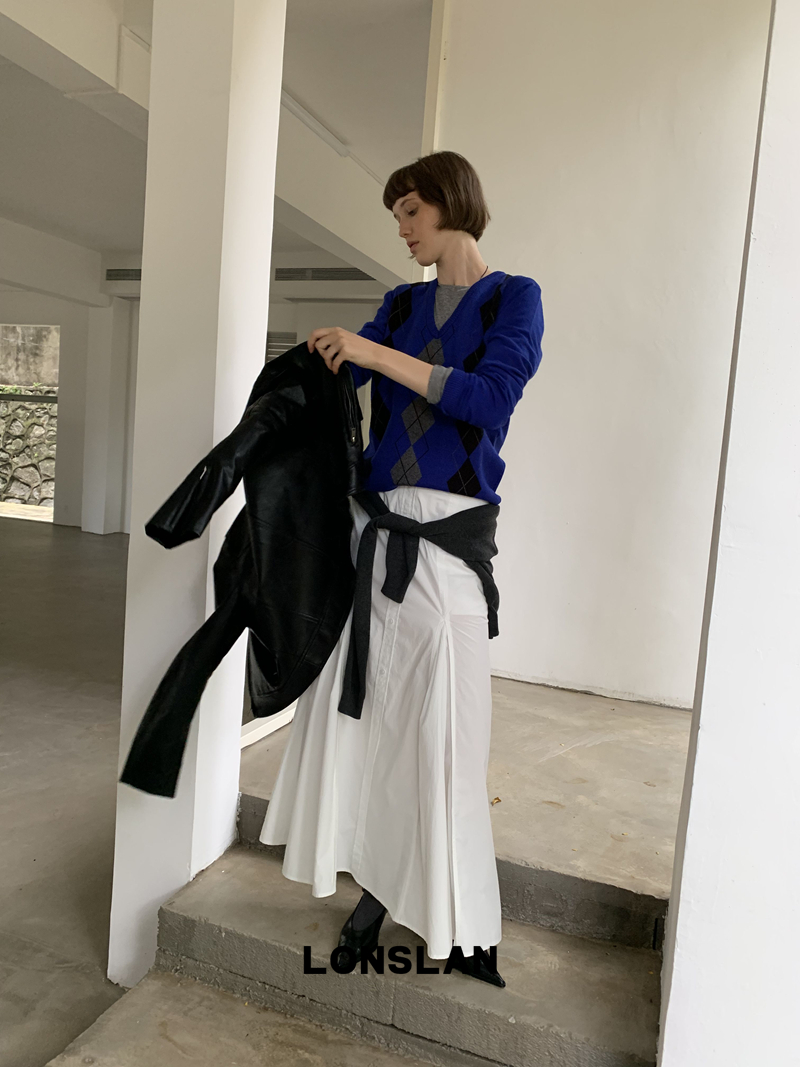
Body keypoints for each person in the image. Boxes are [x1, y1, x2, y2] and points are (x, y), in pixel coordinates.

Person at [258, 150, 543, 987]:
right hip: (375, 537)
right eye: (398, 217)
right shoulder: (402, 303)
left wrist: (373, 356)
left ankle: (455, 913)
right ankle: (375, 891)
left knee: (444, 735)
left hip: (448, 545)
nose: (403, 230)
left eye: (411, 211)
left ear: (451, 203)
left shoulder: (513, 297)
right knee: (372, 726)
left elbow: (489, 398)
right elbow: (346, 371)